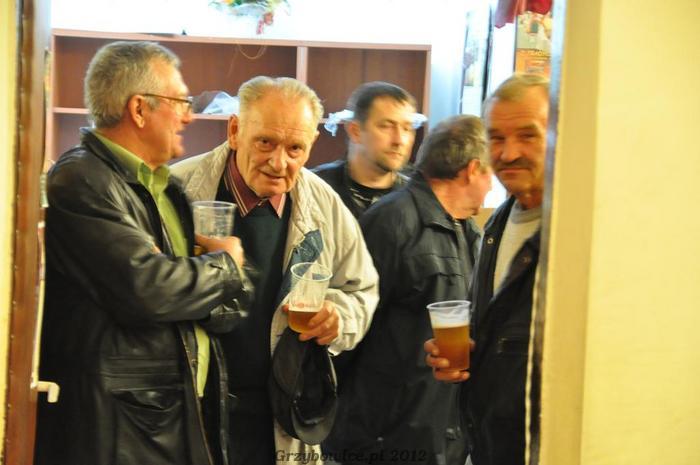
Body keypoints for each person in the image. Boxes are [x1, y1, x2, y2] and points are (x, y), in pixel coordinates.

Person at [35, 41, 254, 465]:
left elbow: (229, 303)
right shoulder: (82, 180)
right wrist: (224, 265)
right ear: (139, 109)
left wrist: (199, 277)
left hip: (174, 412)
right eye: (181, 102)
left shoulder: (166, 187)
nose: (189, 116)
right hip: (123, 428)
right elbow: (149, 289)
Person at [171, 76, 379, 465]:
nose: (279, 162)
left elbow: (362, 290)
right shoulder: (178, 189)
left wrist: (338, 318)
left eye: (295, 148)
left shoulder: (324, 204)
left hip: (281, 415)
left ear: (311, 144)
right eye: (265, 142)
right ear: (235, 131)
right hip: (190, 409)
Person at [323, 115, 493, 465]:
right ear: (473, 170)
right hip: (380, 441)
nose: (492, 187)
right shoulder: (392, 222)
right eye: (491, 174)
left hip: (440, 439)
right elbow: (349, 329)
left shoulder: (471, 233)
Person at [425, 74, 549, 465]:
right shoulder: (497, 223)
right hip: (486, 444)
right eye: (496, 138)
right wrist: (467, 350)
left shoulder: (576, 230)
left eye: (527, 136)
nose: (508, 153)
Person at [312, 81, 421, 218]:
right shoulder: (314, 189)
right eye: (386, 126)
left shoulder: (418, 199)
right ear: (355, 131)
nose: (399, 140)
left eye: (407, 128)